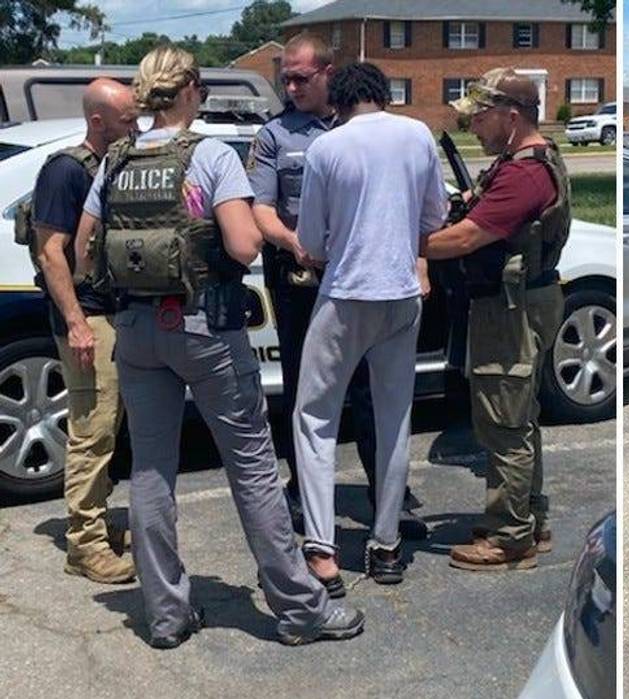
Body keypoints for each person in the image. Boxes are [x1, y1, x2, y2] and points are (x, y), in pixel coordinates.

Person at [73, 45, 364, 648]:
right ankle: (300, 609)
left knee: (151, 471)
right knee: (253, 467)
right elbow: (241, 246)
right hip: (204, 327)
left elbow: (83, 252)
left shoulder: (117, 159)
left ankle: (166, 614)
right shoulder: (207, 155)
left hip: (135, 332)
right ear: (188, 91)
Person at [246, 33, 426, 539]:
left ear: (329, 74)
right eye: (286, 77)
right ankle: (304, 495)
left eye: (302, 77)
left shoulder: (362, 128)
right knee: (306, 393)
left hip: (364, 276)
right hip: (301, 275)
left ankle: (389, 497)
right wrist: (293, 243)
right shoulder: (274, 136)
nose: (291, 86)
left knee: (375, 394)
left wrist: (420, 263)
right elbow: (261, 207)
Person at [292, 62, 445, 588]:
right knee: (394, 416)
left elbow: (310, 240)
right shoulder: (417, 134)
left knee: (314, 417)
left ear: (337, 100)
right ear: (383, 95)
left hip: (345, 292)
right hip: (401, 293)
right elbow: (434, 215)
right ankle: (385, 545)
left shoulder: (326, 148)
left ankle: (321, 547)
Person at [423, 67, 569, 571]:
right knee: (519, 418)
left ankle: (511, 538)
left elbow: (465, 238)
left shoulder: (523, 173)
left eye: (479, 119)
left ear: (510, 116)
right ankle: (528, 518)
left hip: (512, 309)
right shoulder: (522, 160)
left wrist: (397, 243)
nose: (473, 129)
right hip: (520, 300)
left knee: (504, 421)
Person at [27, 79, 137, 584]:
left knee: (108, 428)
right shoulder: (66, 171)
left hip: (107, 313)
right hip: (86, 317)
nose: (134, 126)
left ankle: (98, 525)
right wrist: (76, 323)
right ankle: (85, 545)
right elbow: (52, 252)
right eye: (126, 119)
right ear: (98, 121)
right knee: (91, 432)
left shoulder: (108, 168)